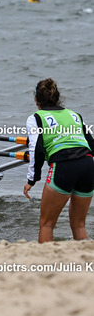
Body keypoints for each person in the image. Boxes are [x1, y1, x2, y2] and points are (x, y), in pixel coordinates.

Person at [23, 78, 94, 242]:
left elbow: (36, 150)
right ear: (57, 98)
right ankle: (86, 257)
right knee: (79, 225)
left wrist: (32, 179)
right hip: (88, 165)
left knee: (46, 224)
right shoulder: (75, 115)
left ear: (36, 100)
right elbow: (92, 145)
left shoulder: (36, 118)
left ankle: (45, 259)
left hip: (64, 166)